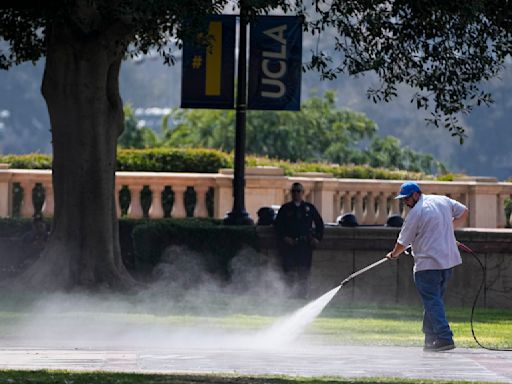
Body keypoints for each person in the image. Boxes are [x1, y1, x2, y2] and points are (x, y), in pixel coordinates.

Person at [386, 181, 468, 352]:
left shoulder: (415, 213)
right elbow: (464, 211)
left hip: (427, 265)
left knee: (432, 302)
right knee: (433, 302)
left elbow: (402, 243)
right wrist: (448, 229)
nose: (406, 202)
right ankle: (430, 339)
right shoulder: (441, 200)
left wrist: (393, 255)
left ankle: (445, 338)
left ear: (416, 194)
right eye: (403, 200)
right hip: (447, 263)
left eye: (407, 198)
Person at [274, 182, 324, 299]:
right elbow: (278, 226)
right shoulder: (285, 209)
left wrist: (317, 238)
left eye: (298, 191)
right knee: (289, 270)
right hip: (290, 245)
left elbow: (319, 224)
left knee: (304, 271)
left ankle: (302, 295)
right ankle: (289, 294)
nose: (296, 194)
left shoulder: (309, 208)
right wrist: (285, 238)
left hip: (304, 245)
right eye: (294, 191)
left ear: (303, 193)